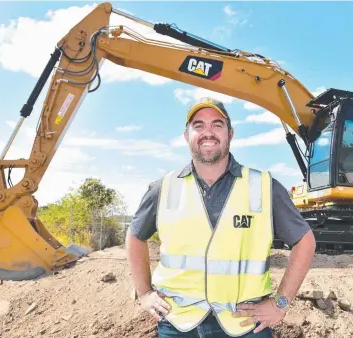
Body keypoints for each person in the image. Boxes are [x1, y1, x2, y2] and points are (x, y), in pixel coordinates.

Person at [125, 97, 316, 338]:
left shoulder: (264, 186)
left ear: (230, 134)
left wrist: (280, 303)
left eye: (217, 125)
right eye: (198, 125)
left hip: (245, 324)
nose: (208, 132)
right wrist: (144, 293)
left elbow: (305, 242)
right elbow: (134, 237)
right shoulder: (162, 188)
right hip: (178, 323)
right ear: (186, 135)